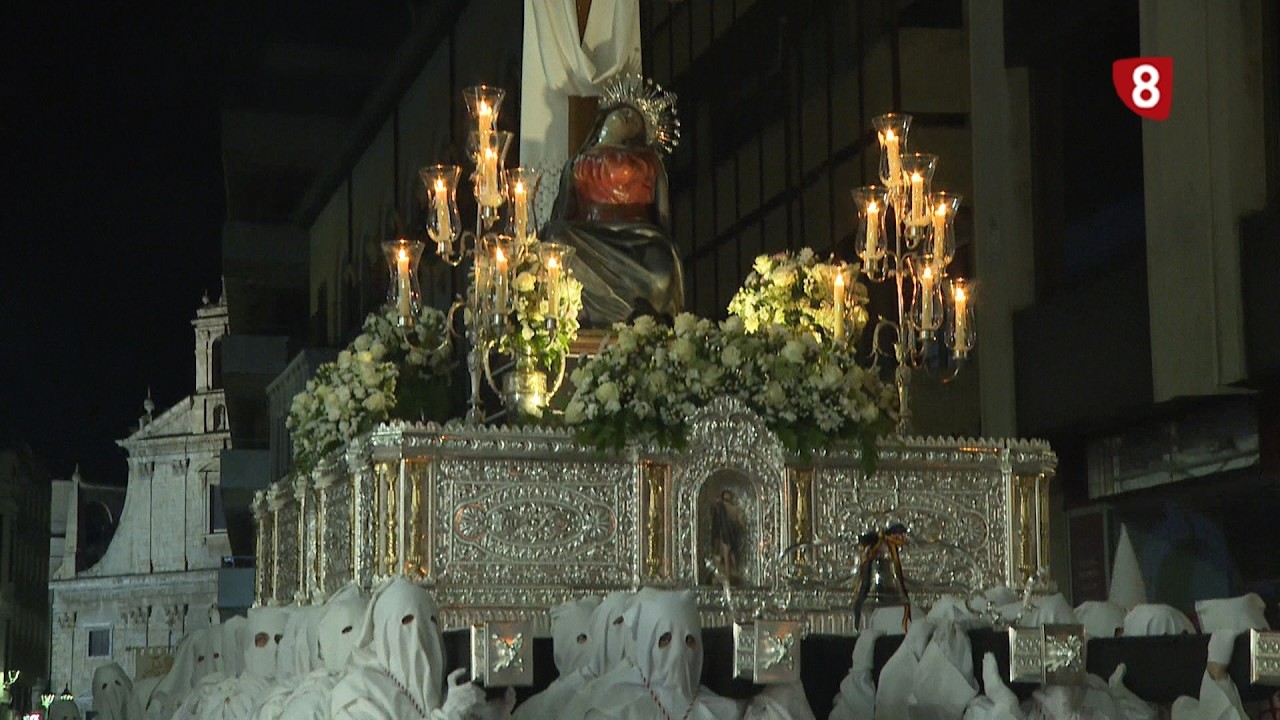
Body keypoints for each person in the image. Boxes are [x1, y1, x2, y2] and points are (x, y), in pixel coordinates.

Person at [542, 74, 684, 326]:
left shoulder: (649, 161)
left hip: (639, 238)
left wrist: (665, 244)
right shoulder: (577, 162)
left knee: (662, 273)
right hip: (589, 235)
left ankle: (638, 313)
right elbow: (564, 212)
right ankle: (597, 311)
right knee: (556, 239)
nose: (627, 120)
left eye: (635, 123)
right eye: (623, 114)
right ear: (605, 116)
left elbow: (663, 217)